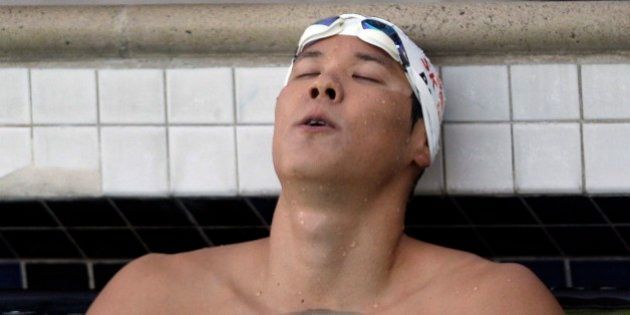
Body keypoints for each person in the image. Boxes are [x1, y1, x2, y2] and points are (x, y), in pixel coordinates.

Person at [87, 13, 564, 314]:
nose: (323, 86)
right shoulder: (152, 297)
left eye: (365, 76)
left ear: (419, 138)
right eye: (307, 72)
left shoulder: (493, 303)